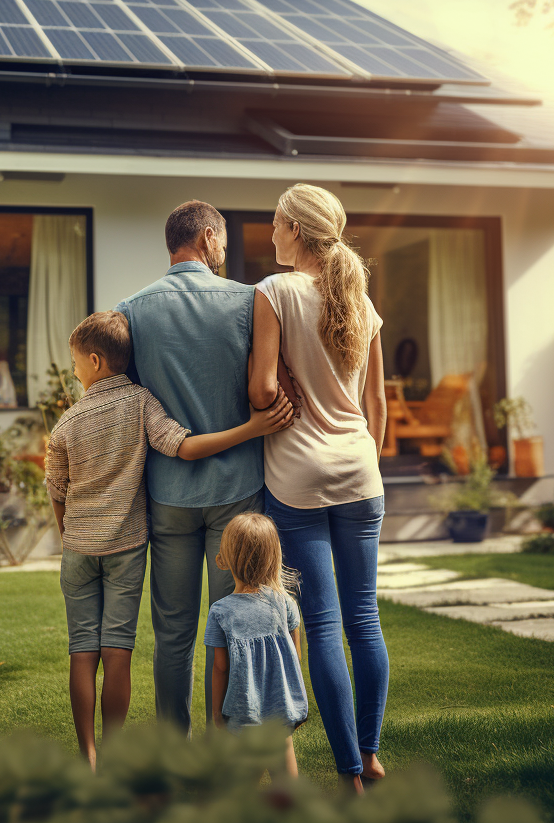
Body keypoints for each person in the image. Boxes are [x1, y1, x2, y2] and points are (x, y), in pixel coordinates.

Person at [45, 310, 293, 769]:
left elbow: (55, 490)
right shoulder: (140, 403)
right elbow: (183, 445)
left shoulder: (66, 425)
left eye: (76, 362)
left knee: (83, 652)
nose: (74, 371)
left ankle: (89, 759)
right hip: (124, 549)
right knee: (117, 651)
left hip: (78, 549)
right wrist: (251, 429)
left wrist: (71, 536)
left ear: (96, 361)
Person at [115, 200, 290, 735]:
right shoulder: (249, 300)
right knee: (236, 621)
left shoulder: (130, 311)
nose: (225, 252)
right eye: (224, 243)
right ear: (210, 238)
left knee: (172, 631)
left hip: (168, 493)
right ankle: (227, 740)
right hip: (237, 488)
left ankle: (174, 743)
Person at [248, 183, 389, 793]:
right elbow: (376, 401)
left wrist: (278, 378)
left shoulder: (273, 292)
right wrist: (364, 458)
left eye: (276, 224)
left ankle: (351, 776)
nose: (270, 234)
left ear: (295, 231)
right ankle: (372, 751)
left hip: (297, 478)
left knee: (324, 625)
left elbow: (259, 395)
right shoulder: (360, 298)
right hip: (361, 472)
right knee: (365, 617)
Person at [205, 512, 308, 775]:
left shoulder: (221, 611)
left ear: (227, 558)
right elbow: (296, 656)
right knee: (286, 775)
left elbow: (220, 668)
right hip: (284, 705)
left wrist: (217, 713)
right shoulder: (284, 603)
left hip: (244, 709)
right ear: (274, 556)